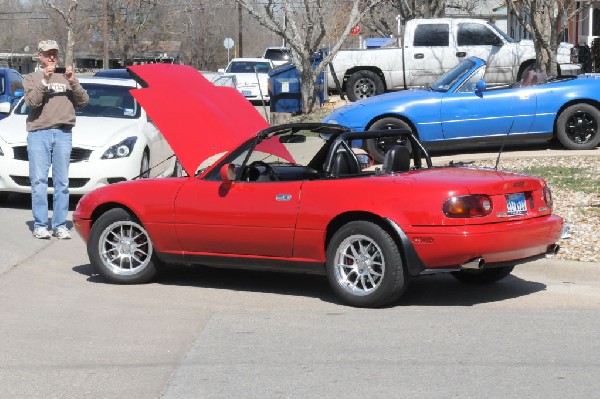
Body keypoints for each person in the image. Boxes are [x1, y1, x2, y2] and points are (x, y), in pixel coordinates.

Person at [23, 40, 89, 239]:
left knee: (62, 182)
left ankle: (60, 224)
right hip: (39, 133)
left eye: (54, 53)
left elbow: (84, 101)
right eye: (47, 54)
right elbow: (32, 103)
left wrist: (73, 81)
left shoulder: (67, 77)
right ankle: (41, 224)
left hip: (63, 133)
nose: (51, 57)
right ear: (40, 56)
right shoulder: (32, 77)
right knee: (39, 181)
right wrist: (44, 80)